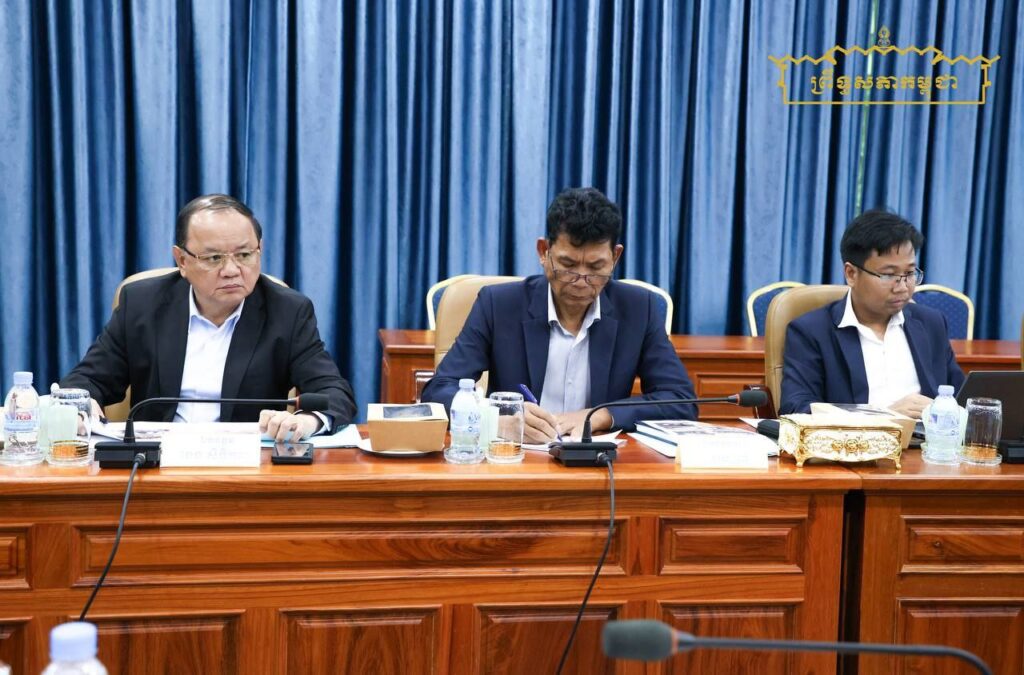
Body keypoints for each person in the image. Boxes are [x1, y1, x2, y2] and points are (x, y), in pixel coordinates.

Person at [61, 194, 356, 440]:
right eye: (214, 258)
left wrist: (306, 421)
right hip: (155, 466)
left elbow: (334, 393)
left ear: (260, 250)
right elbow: (87, 380)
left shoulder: (288, 311)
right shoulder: (143, 304)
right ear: (182, 260)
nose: (231, 270)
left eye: (244, 255)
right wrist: (79, 408)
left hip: (248, 467)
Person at [421, 187, 696, 443]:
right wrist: (496, 419)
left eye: (596, 267)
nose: (581, 281)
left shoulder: (638, 309)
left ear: (615, 257)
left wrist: (601, 415)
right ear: (544, 252)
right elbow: (439, 390)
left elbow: (681, 400)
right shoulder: (498, 305)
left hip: (597, 461)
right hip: (516, 457)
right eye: (567, 265)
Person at [779, 209, 964, 419]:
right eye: (888, 275)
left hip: (928, 439)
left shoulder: (931, 323)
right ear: (851, 274)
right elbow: (797, 409)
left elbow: (961, 399)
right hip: (854, 440)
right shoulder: (811, 331)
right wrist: (883, 416)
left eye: (909, 273)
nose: (903, 286)